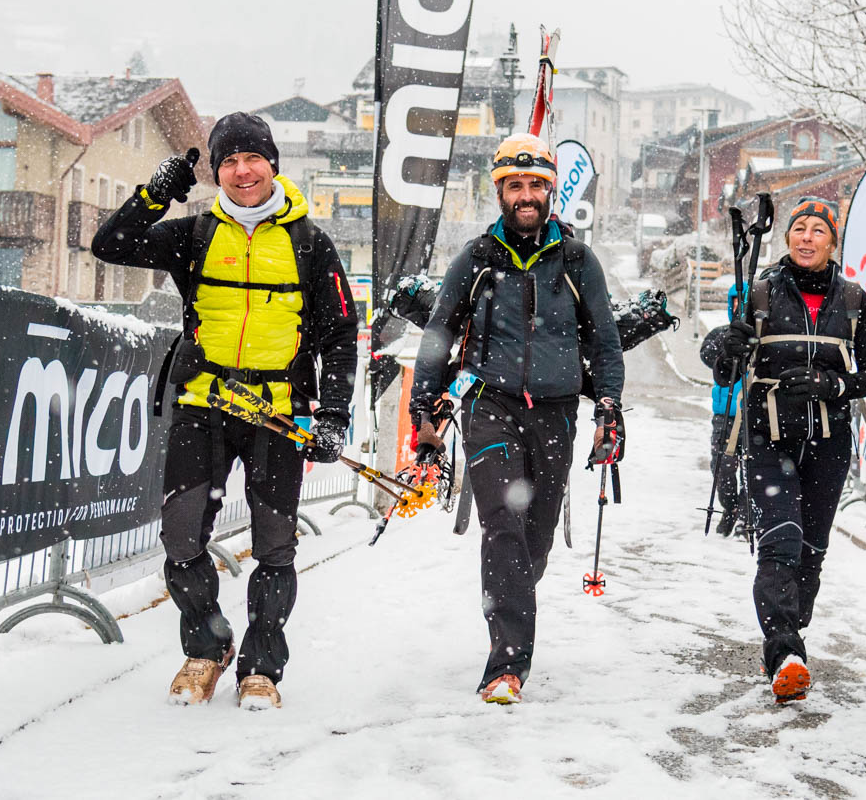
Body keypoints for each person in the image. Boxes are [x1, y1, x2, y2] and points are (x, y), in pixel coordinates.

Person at [92, 112, 358, 711]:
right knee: (181, 536)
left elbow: (342, 335)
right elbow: (110, 244)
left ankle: (261, 668)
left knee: (275, 546)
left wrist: (334, 416)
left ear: (273, 165)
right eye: (229, 162)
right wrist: (154, 194)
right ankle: (207, 648)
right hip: (203, 405)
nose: (242, 172)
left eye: (252, 159)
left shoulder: (311, 244)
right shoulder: (194, 234)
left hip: (279, 414)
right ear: (216, 172)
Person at [408, 133, 625, 706]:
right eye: (514, 185)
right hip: (490, 405)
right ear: (499, 191)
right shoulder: (477, 259)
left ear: (550, 190)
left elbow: (605, 341)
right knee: (503, 522)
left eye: (536, 185)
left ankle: (511, 604)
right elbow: (438, 333)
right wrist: (424, 407)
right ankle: (506, 664)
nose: (526, 195)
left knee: (535, 538)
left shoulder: (577, 261)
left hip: (555, 412)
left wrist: (608, 408)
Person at [712, 197, 866, 703]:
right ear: (788, 237)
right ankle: (785, 652)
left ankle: (790, 630)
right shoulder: (761, 294)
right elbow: (724, 369)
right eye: (799, 229)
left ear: (832, 242)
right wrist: (727, 347)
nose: (807, 237)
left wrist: (831, 385)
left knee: (811, 552)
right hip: (768, 438)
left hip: (829, 443)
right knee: (780, 543)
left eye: (818, 230)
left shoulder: (853, 301)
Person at [697, 282, 747, 537]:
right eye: (735, 302)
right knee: (721, 466)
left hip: (751, 413)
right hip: (725, 412)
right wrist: (729, 345)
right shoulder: (722, 334)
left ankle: (746, 515)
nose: (739, 307)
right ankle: (730, 507)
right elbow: (707, 355)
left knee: (751, 468)